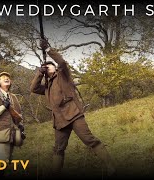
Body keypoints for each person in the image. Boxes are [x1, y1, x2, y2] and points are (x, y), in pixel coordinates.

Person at [30, 39, 116, 176]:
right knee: (58, 149)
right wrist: (40, 73)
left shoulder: (63, 75)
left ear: (54, 67)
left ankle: (110, 167)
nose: (47, 67)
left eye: (49, 65)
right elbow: (33, 88)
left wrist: (48, 50)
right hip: (59, 121)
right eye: (45, 66)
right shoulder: (46, 87)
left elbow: (62, 62)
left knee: (90, 140)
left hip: (74, 114)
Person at [0, 72, 22, 176]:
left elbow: (19, 114)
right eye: (3, 78)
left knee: (7, 163)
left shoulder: (13, 97)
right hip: (0, 135)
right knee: (0, 167)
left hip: (12, 135)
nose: (6, 78)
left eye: (8, 78)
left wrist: (20, 124)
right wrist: (3, 107)